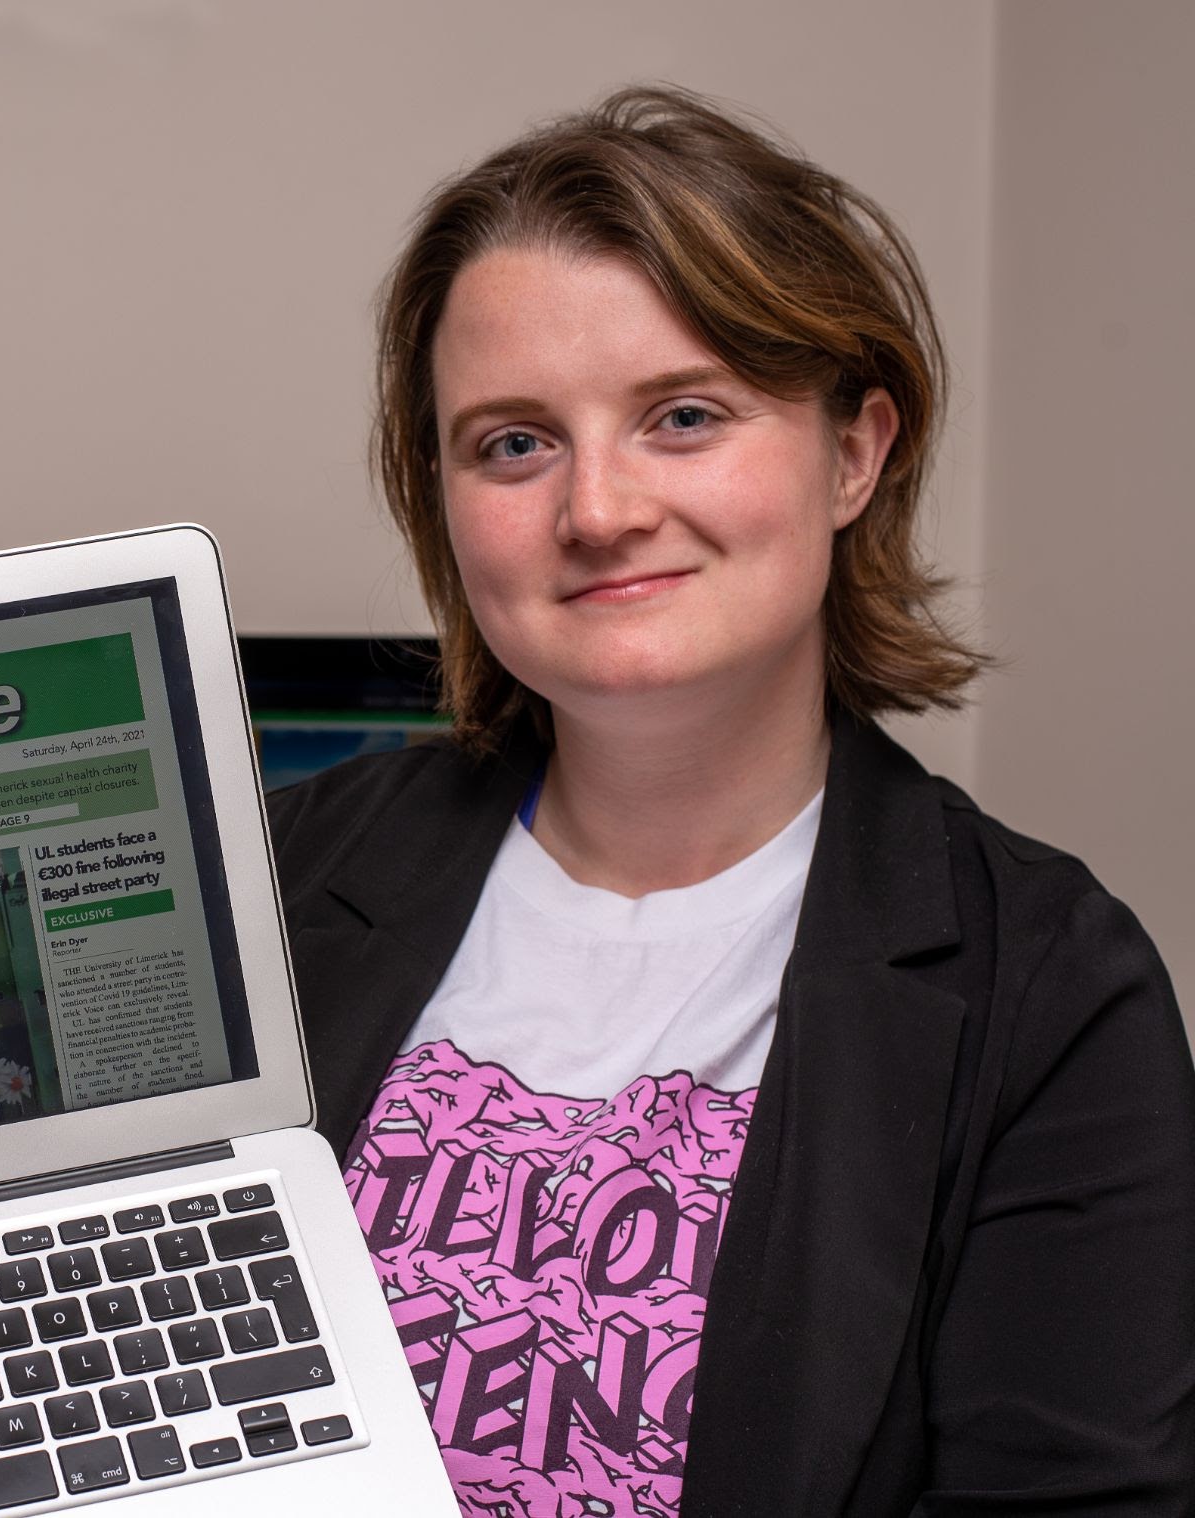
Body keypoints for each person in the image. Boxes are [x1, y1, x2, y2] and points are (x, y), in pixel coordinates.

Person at [267, 88, 1195, 1515]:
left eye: (683, 416)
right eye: (513, 443)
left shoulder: (1055, 996)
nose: (597, 509)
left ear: (853, 451)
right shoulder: (274, 880)